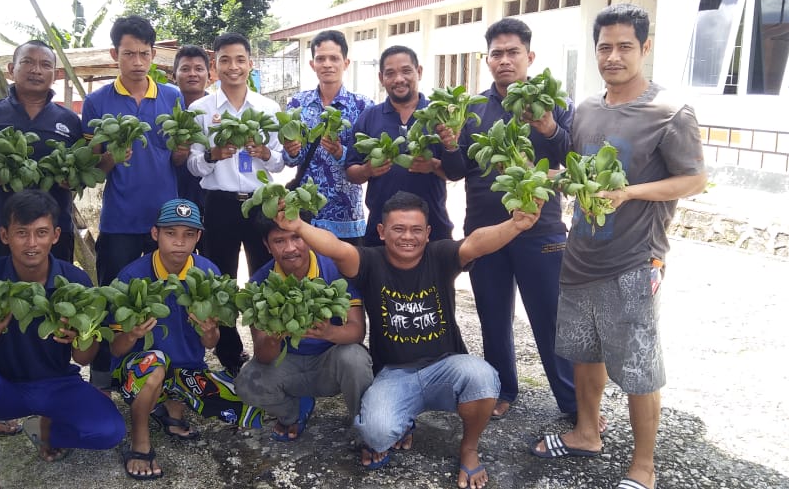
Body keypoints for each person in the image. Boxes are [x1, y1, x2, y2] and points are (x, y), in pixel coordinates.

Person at [530, 4, 706, 489]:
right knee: (585, 354)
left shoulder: (670, 112)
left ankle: (643, 467)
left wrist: (630, 192)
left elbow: (694, 180)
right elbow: (580, 168)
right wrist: (550, 176)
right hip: (580, 254)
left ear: (645, 48)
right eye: (605, 46)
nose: (613, 56)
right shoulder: (587, 108)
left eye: (625, 46)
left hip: (632, 259)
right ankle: (588, 432)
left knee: (639, 367)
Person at [271, 190, 542, 489]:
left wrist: (515, 225)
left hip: (445, 367)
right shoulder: (369, 262)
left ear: (427, 233)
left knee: (483, 377)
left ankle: (468, 448)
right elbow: (336, 249)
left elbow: (476, 243)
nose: (407, 237)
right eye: (398, 229)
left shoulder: (439, 256)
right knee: (375, 434)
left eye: (416, 230)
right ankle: (404, 421)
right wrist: (298, 227)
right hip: (394, 374)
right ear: (382, 231)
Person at [0, 190, 124, 489]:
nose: (32, 244)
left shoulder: (76, 283)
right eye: (22, 233)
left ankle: (47, 430)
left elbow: (83, 359)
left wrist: (81, 338)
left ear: (56, 235)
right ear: (5, 235)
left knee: (109, 431)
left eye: (41, 233)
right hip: (2, 387)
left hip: (56, 384)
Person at [454, 18, 577, 421]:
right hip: (486, 229)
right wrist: (445, 142)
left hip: (540, 229)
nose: (505, 60)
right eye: (497, 53)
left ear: (530, 56)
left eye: (513, 52)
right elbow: (457, 168)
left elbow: (570, 156)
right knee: (492, 314)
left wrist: (549, 127)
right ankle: (503, 388)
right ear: (486, 59)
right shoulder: (473, 109)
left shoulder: (551, 103)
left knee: (549, 317)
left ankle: (573, 402)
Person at [110, 198, 264, 480]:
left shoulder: (208, 272)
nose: (179, 243)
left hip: (187, 370)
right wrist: (132, 334)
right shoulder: (132, 276)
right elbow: (116, 348)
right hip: (139, 372)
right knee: (155, 364)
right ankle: (140, 438)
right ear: (155, 234)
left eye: (188, 235)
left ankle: (171, 409)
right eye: (171, 233)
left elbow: (209, 344)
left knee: (249, 408)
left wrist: (209, 331)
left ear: (198, 237)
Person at [81, 15, 185, 389]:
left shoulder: (172, 97)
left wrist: (183, 150)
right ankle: (105, 374)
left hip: (166, 217)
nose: (138, 61)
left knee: (168, 297)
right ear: (115, 54)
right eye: (129, 54)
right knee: (114, 295)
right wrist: (113, 154)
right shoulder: (96, 102)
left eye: (144, 53)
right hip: (121, 217)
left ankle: (166, 372)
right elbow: (94, 164)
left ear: (154, 55)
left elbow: (176, 158)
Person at [187, 32, 284, 374]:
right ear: (215, 66)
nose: (233, 67)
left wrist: (265, 152)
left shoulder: (268, 108)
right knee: (221, 280)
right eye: (225, 60)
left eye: (240, 60)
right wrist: (213, 155)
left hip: (259, 203)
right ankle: (230, 355)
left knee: (265, 276)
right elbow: (193, 165)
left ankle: (268, 350)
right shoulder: (200, 110)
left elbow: (279, 163)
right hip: (219, 203)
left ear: (250, 64)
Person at [234, 211, 373, 441]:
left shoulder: (335, 269)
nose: (290, 248)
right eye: (279, 241)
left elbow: (357, 332)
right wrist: (273, 337)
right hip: (288, 364)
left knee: (355, 359)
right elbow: (263, 356)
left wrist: (330, 332)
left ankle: (365, 426)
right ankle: (294, 413)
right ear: (267, 246)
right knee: (247, 383)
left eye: (296, 237)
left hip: (330, 361)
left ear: (308, 236)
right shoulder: (259, 283)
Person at [345, 45, 463, 247]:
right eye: (390, 73)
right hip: (381, 231)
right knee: (379, 279)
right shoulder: (370, 117)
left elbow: (457, 173)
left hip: (432, 229)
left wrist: (434, 165)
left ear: (419, 72)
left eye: (406, 71)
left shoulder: (441, 115)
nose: (399, 79)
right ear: (381, 78)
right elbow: (350, 171)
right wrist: (368, 170)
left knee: (434, 280)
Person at [0, 40, 82, 264]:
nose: (36, 70)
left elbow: (83, 171)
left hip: (54, 232)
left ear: (55, 73)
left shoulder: (70, 120)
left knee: (55, 296)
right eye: (28, 62)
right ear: (11, 69)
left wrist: (73, 179)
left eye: (45, 65)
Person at [280, 30, 372, 244]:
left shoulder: (362, 106)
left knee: (347, 275)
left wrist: (341, 153)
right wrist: (291, 151)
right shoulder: (298, 104)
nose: (327, 64)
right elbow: (291, 160)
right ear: (313, 64)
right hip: (305, 213)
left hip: (346, 214)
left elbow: (367, 163)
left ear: (346, 63)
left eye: (334, 58)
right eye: (321, 59)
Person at [171, 44, 213, 209]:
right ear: (174, 76)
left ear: (208, 76)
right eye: (185, 69)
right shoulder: (165, 110)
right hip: (173, 192)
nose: (193, 74)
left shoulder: (219, 111)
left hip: (209, 195)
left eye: (199, 69)